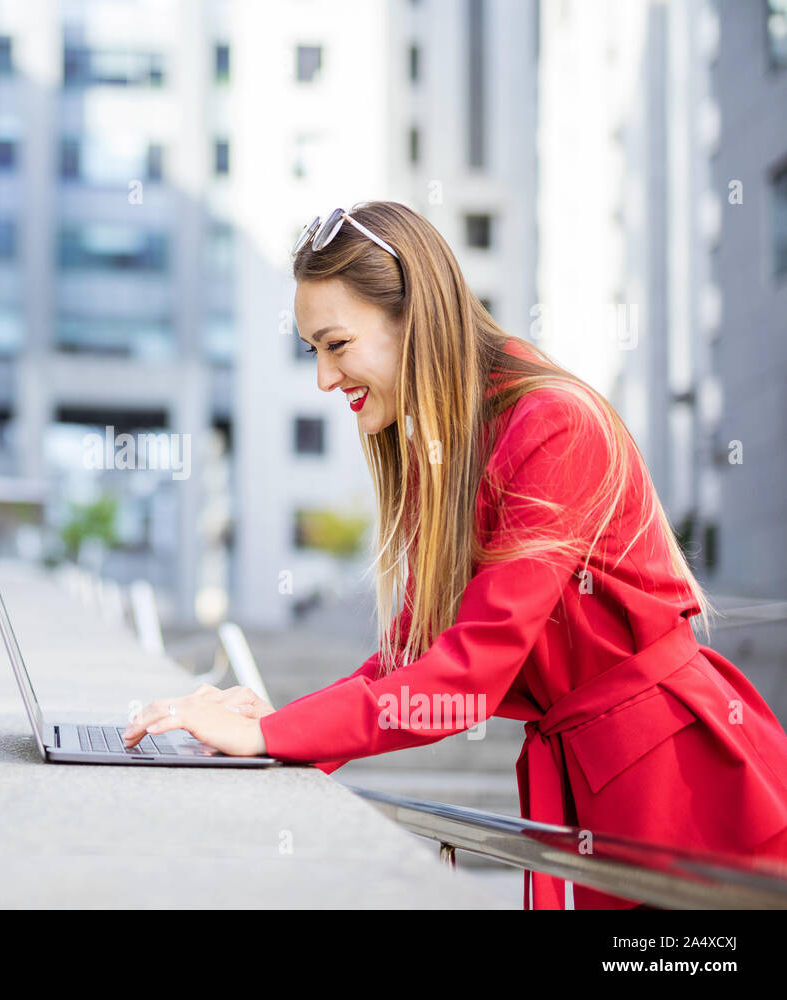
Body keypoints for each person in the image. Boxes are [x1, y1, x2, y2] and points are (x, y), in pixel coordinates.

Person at [121, 200, 787, 910]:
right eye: (312, 351)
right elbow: (415, 656)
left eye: (336, 345)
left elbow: (465, 678)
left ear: (415, 315)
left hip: (683, 785)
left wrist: (271, 735)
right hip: (604, 781)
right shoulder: (452, 443)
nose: (323, 378)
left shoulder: (551, 424)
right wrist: (270, 728)